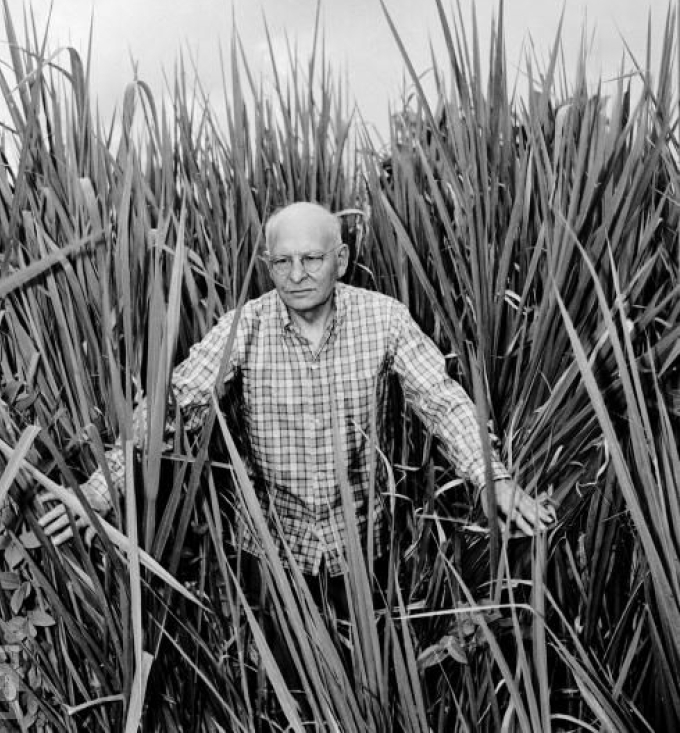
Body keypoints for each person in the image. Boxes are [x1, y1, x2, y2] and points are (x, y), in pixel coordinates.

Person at [39, 202, 555, 577]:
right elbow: (175, 406)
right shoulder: (246, 325)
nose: (297, 275)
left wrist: (493, 480)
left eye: (312, 259)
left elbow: (441, 403)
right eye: (282, 262)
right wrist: (101, 490)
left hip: (363, 549)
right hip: (269, 554)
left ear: (343, 258)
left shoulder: (385, 319)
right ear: (269, 265)